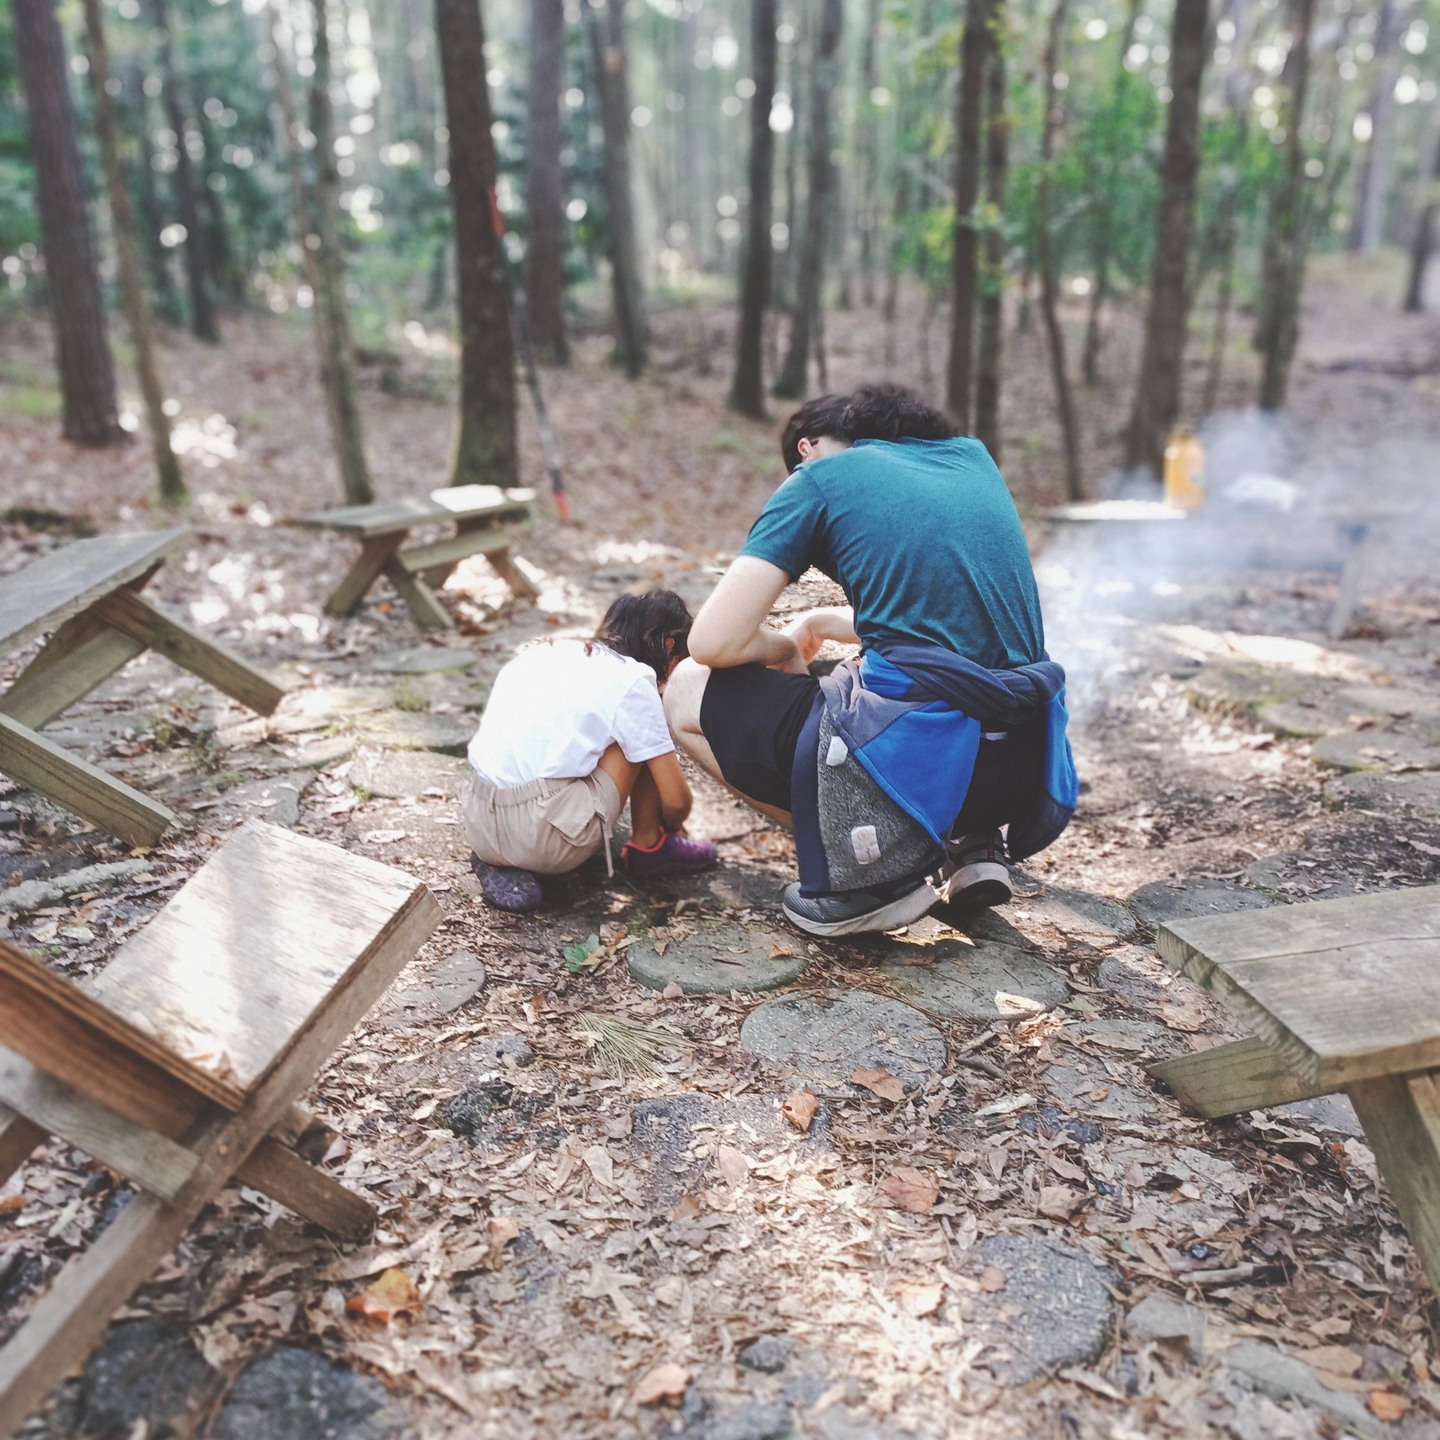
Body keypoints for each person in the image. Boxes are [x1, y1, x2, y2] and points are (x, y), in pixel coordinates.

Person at [664, 384, 1077, 937]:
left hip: (923, 761)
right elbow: (954, 614)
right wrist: (824, 622)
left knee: (687, 688)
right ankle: (969, 843)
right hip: (1019, 767)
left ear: (807, 449)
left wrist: (785, 646)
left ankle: (875, 868)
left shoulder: (817, 479)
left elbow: (710, 642)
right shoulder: (971, 461)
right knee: (901, 686)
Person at [463, 591, 717, 912]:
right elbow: (677, 802)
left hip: (478, 819)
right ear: (669, 645)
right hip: (546, 843)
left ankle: (499, 858)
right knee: (646, 725)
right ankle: (649, 846)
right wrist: (674, 822)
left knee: (616, 727)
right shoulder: (635, 679)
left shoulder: (547, 649)